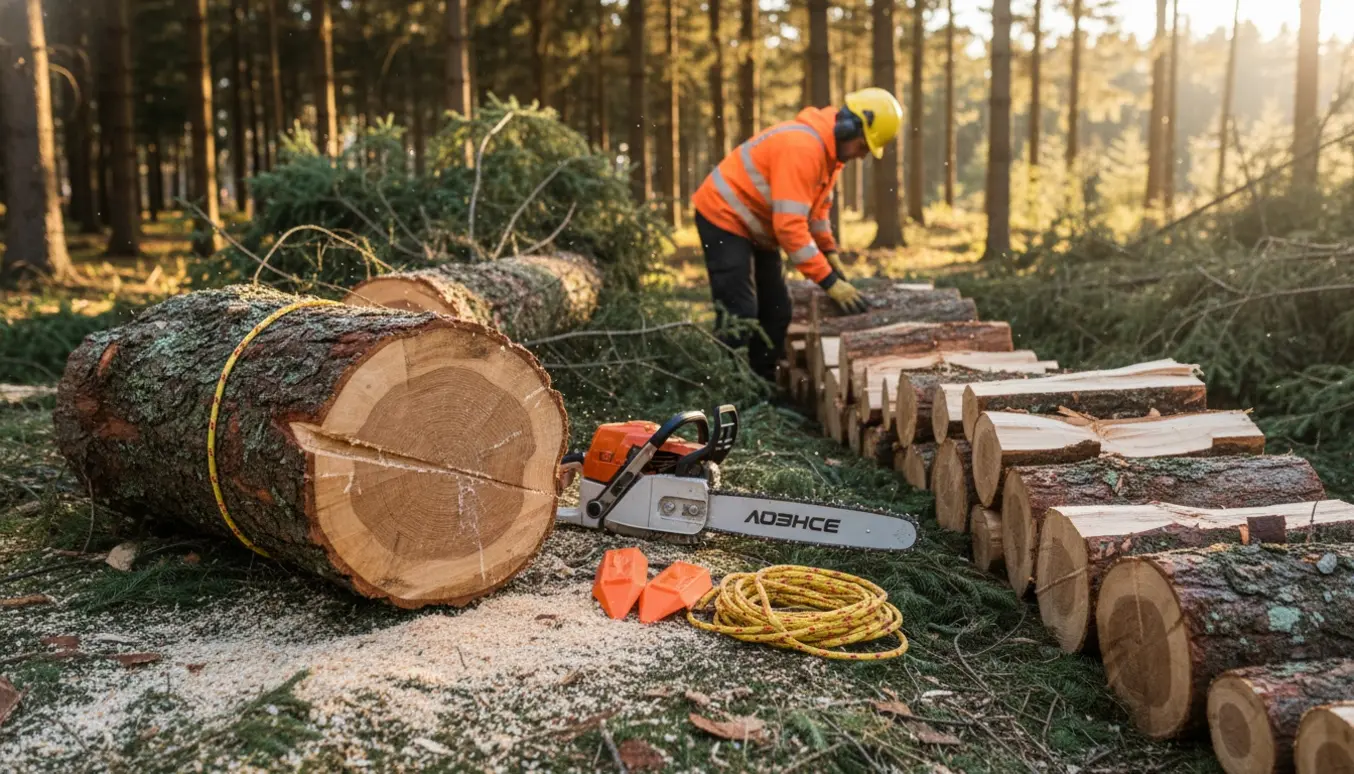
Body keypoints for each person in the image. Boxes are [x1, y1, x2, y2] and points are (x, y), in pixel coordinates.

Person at [691, 87, 903, 381]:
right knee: (740, 312)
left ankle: (761, 385)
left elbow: (816, 213)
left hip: (758, 227)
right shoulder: (802, 148)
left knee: (778, 309)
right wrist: (828, 281)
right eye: (863, 145)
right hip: (723, 215)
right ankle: (720, 385)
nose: (863, 155)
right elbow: (790, 227)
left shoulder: (830, 156)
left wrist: (830, 254)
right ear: (848, 127)